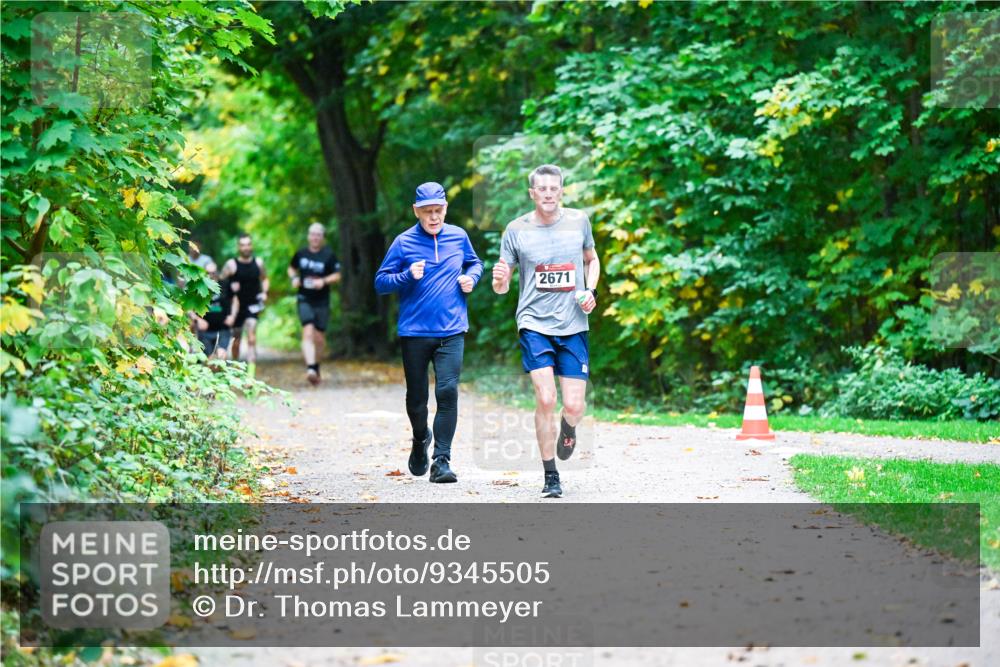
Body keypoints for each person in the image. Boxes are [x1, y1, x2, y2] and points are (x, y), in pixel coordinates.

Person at [491, 164, 600, 498]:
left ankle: (568, 429)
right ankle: (551, 475)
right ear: (532, 193)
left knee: (574, 406)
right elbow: (501, 286)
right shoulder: (515, 229)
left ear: (562, 191)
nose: (549, 194)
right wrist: (499, 280)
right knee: (546, 397)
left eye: (555, 188)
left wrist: (590, 291)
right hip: (534, 323)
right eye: (542, 189)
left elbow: (591, 260)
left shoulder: (579, 221)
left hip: (572, 324)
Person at [375, 182, 483, 484]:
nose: (434, 217)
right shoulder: (403, 242)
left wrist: (471, 278)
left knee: (447, 392)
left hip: (452, 329)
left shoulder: (458, 236)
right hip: (414, 332)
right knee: (417, 399)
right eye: (427, 212)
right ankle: (421, 437)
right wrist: (407, 275)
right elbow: (381, 282)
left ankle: (442, 461)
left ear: (445, 209)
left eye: (438, 210)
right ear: (416, 211)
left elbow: (475, 263)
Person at [288, 223, 341, 385]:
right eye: (312, 234)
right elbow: (291, 268)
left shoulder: (328, 255)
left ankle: (316, 366)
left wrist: (323, 281)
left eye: (318, 235)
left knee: (319, 338)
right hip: (304, 298)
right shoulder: (301, 253)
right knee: (308, 330)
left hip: (322, 300)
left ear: (322, 238)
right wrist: (294, 278)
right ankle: (310, 368)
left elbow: (337, 275)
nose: (315, 237)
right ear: (308, 236)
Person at [222, 233, 268, 376]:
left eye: (248, 244)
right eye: (243, 245)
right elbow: (220, 285)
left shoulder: (258, 263)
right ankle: (236, 370)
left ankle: (250, 374)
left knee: (252, 337)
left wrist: (265, 292)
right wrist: (230, 287)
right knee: (236, 341)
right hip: (236, 308)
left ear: (252, 246)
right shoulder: (231, 265)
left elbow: (265, 279)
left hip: (253, 306)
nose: (246, 247)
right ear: (238, 247)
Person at [190, 262, 239, 361]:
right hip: (205, 330)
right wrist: (198, 320)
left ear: (217, 272)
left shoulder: (225, 284)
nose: (211, 275)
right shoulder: (197, 287)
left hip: (223, 328)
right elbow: (188, 307)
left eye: (213, 273)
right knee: (209, 360)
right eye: (208, 273)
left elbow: (235, 300)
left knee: (221, 356)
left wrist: (232, 316)